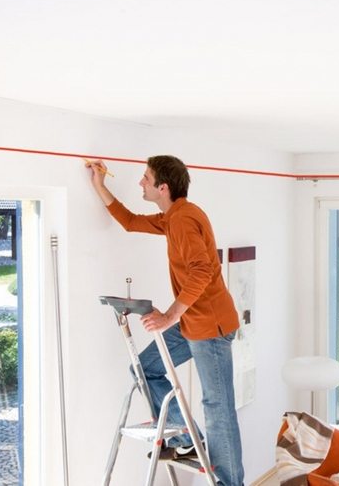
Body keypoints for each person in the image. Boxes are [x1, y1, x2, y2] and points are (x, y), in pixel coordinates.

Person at [87, 155, 244, 486]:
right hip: (192, 325)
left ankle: (230, 483)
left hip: (210, 328)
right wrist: (99, 185)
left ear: (163, 187)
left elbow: (202, 271)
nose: (140, 183)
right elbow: (130, 221)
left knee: (217, 407)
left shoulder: (184, 219)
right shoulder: (172, 217)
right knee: (144, 369)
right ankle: (187, 439)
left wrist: (169, 316)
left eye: (146, 178)